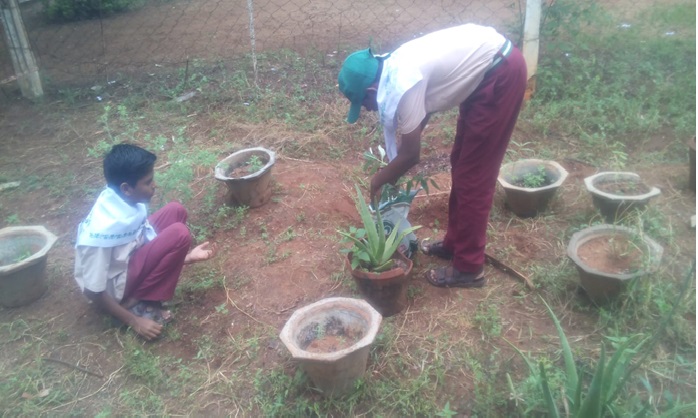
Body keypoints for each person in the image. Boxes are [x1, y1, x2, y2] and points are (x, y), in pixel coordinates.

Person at [338, 24, 527, 289]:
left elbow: (411, 155)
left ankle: (469, 268)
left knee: (474, 176)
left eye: (365, 104)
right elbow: (420, 115)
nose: (369, 109)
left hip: (499, 75)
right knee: (461, 163)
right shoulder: (393, 68)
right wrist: (396, 161)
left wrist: (377, 181)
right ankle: (455, 244)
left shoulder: (403, 81)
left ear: (371, 90)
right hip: (483, 74)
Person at [74, 143, 217, 340]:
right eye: (148, 182)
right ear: (126, 188)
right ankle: (139, 302)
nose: (154, 185)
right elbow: (93, 291)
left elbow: (141, 237)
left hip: (129, 259)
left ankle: (144, 294)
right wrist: (134, 322)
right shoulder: (100, 234)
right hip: (114, 290)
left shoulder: (119, 201)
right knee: (179, 233)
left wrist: (187, 258)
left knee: (175, 210)